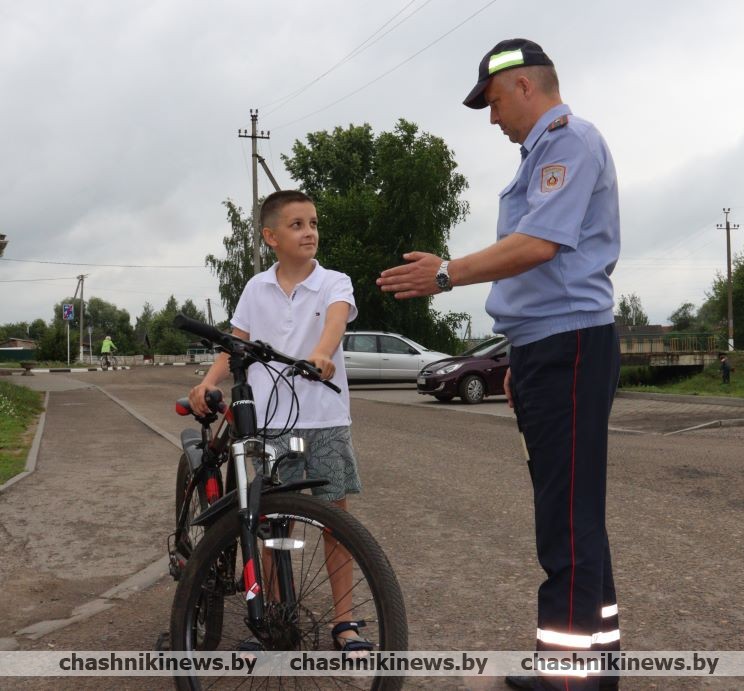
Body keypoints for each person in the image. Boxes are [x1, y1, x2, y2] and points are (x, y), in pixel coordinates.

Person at [377, 39, 621, 690]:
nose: (490, 118)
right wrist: (518, 355)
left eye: (490, 102)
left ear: (522, 87)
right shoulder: (543, 153)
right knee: (576, 514)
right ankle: (595, 666)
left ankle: (569, 675)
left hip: (569, 345)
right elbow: (546, 267)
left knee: (566, 520)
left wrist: (448, 273)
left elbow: (539, 245)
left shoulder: (568, 141)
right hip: (552, 344)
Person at [188, 189, 369, 652]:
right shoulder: (255, 288)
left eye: (312, 223)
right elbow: (237, 343)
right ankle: (269, 618)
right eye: (296, 225)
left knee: (334, 521)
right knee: (269, 525)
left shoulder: (334, 281)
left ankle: (344, 622)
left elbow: (335, 322)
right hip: (268, 423)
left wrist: (321, 355)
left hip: (324, 419)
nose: (309, 232)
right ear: (271, 237)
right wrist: (208, 382)